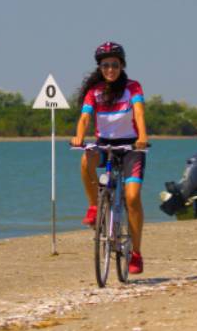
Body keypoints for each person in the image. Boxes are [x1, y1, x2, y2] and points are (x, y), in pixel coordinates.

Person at [70, 41, 149, 274]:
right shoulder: (94, 91)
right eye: (106, 65)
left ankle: (136, 253)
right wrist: (79, 136)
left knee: (132, 197)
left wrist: (143, 136)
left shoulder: (133, 87)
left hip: (131, 146)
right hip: (104, 145)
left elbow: (139, 112)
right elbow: (85, 117)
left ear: (122, 66)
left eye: (114, 65)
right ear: (100, 68)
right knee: (86, 160)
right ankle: (94, 205)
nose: (110, 70)